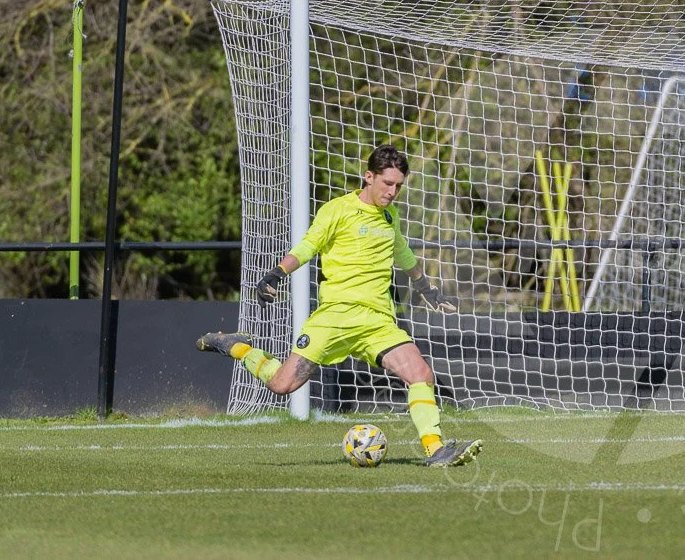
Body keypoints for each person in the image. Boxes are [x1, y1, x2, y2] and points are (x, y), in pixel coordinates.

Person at [197, 144, 481, 467]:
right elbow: (308, 246)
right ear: (368, 176)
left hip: (377, 321)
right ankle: (237, 347)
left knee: (421, 374)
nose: (393, 192)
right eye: (387, 184)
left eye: (399, 186)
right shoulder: (337, 210)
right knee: (281, 385)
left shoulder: (391, 216)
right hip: (335, 317)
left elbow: (403, 254)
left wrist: (426, 288)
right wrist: (278, 272)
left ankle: (436, 451)